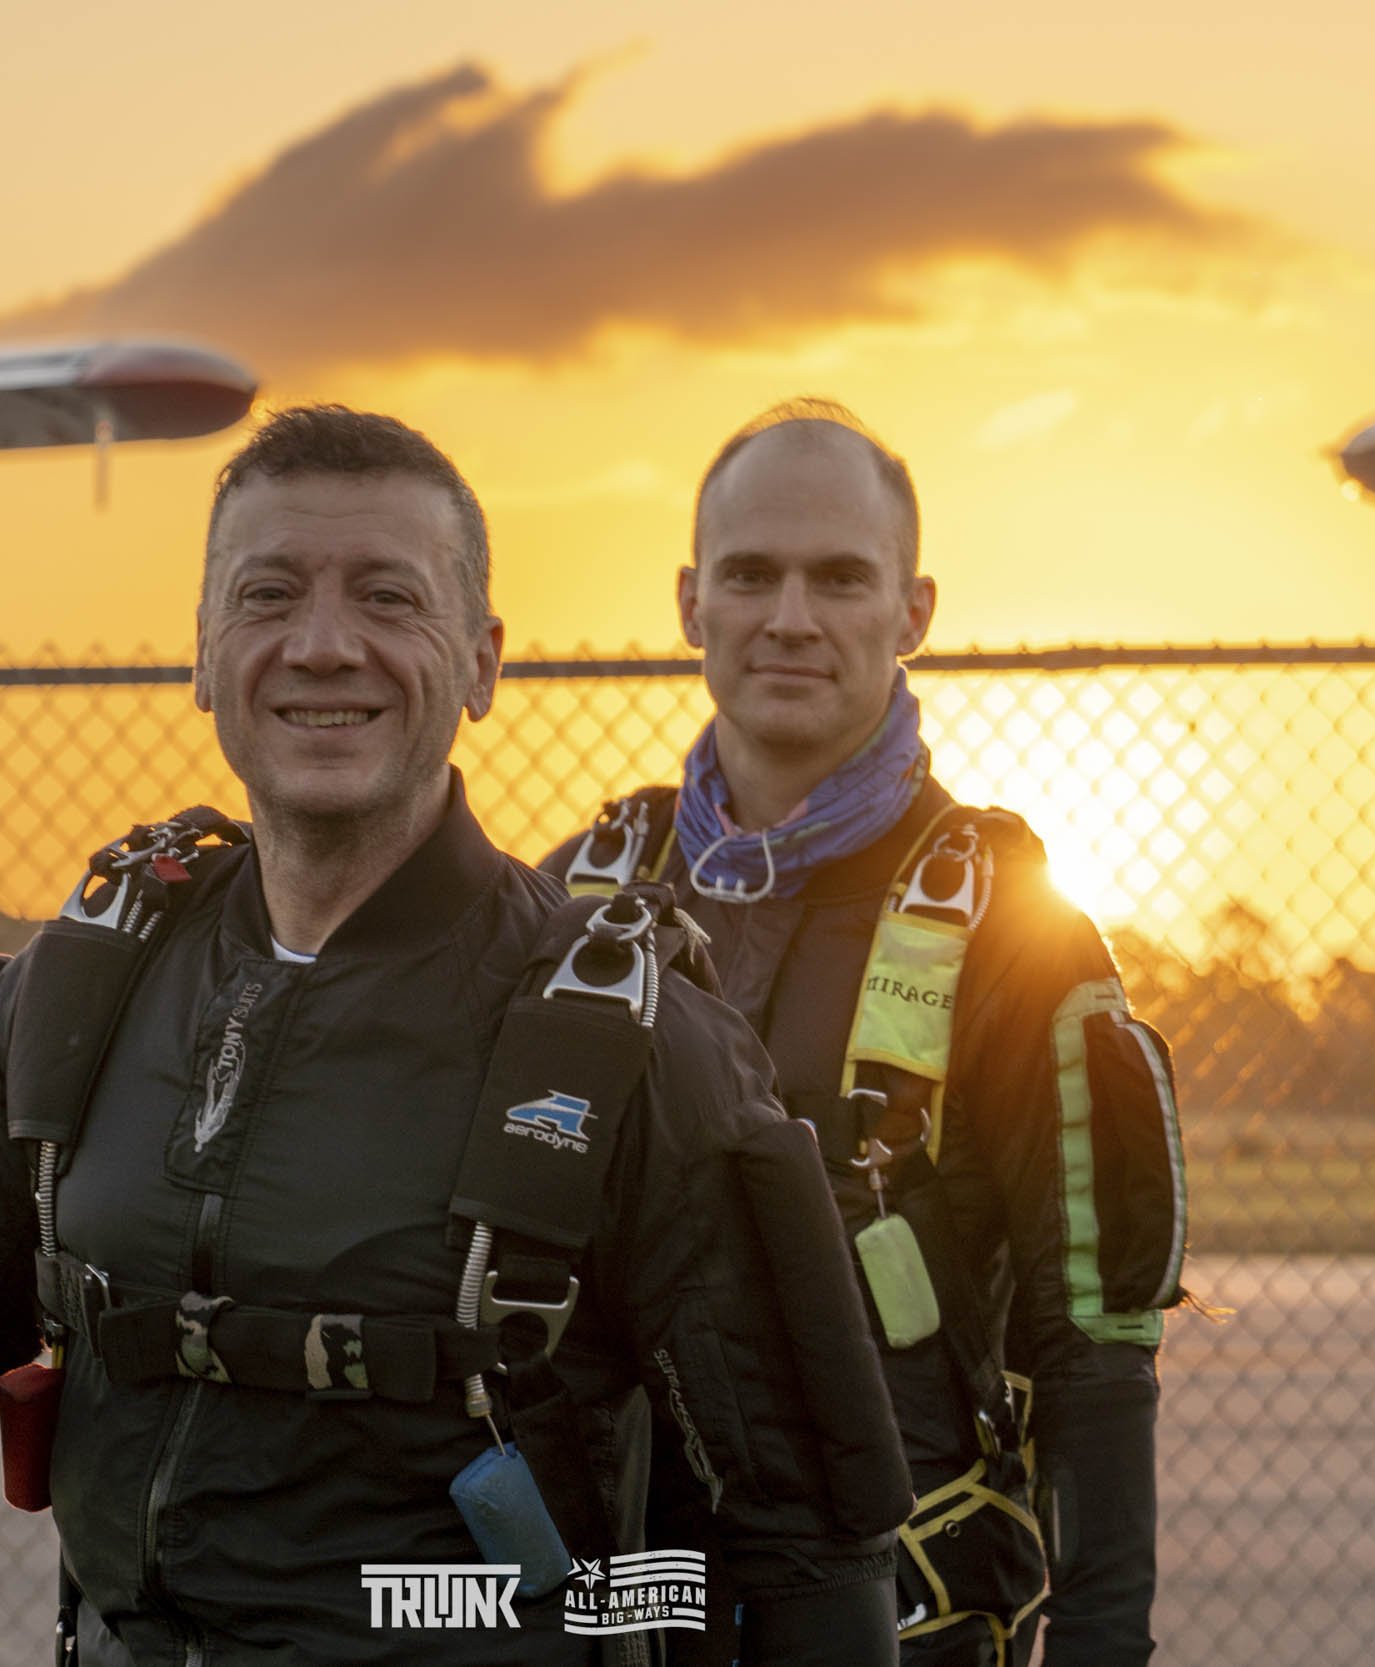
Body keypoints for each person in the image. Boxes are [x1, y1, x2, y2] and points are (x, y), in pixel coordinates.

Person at [0, 405, 912, 1665]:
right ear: (203, 652)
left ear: (481, 663)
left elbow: (807, 1552)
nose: (323, 646)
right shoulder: (75, 984)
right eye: (268, 596)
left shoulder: (632, 1045)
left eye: (386, 597)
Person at [543, 403, 1186, 1666]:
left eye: (840, 577)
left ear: (913, 612)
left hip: (905, 1618)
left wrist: (1101, 1642)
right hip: (614, 1609)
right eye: (749, 574)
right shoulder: (573, 895)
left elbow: (1094, 1348)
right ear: (689, 601)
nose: (790, 616)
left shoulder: (1020, 926)